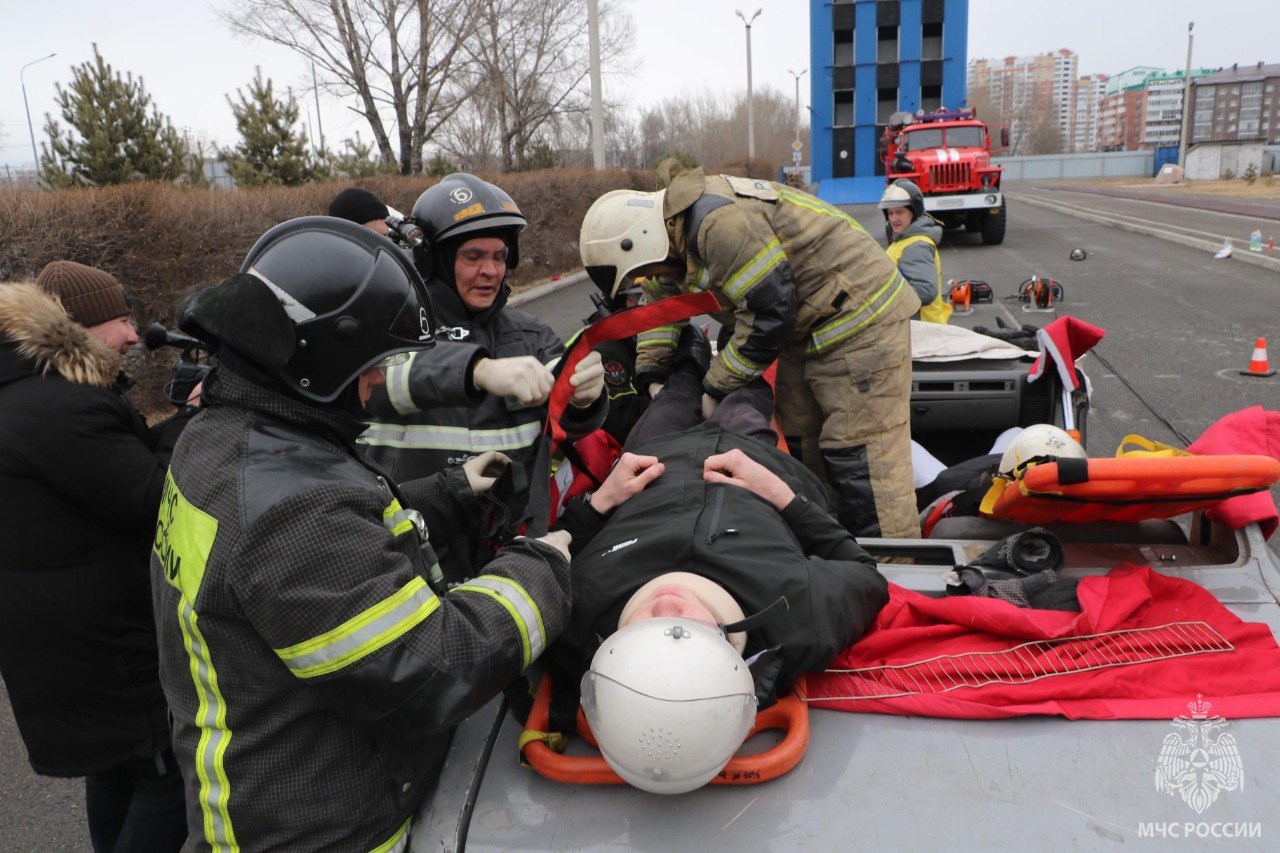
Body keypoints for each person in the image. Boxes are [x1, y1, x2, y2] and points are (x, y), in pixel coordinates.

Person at [151, 216, 573, 851]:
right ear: (321, 362)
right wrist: (540, 568)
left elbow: (330, 560)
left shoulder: (224, 437)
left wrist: (450, 494)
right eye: (375, 364)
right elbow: (432, 671)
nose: (380, 383)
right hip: (325, 832)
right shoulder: (293, 508)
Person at [542, 357, 890, 791]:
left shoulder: (571, 613)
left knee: (675, 391)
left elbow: (547, 549)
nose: (666, 604)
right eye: (686, 629)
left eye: (642, 629)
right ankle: (733, 353)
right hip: (751, 455)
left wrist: (598, 503)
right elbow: (865, 572)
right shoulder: (800, 613)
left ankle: (686, 361)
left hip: (651, 455)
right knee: (745, 389)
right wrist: (780, 494)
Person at [579, 161, 923, 538]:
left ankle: (894, 561)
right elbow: (660, 310)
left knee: (860, 459)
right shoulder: (670, 241)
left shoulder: (718, 226)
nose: (646, 279)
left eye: (640, 271)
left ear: (642, 242)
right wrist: (652, 375)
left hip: (861, 319)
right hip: (806, 328)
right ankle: (834, 543)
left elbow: (768, 314)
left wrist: (714, 387)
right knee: (802, 442)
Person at [0, 261, 188, 852]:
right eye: (120, 320)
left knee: (120, 763)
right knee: (167, 770)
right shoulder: (64, 409)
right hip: (107, 639)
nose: (133, 334)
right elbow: (153, 499)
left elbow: (115, 473)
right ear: (75, 328)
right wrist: (197, 421)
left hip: (61, 632)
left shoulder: (32, 396)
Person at [359, 173, 607, 578]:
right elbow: (383, 381)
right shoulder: (390, 330)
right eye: (473, 257)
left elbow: (565, 429)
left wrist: (586, 399)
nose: (490, 270)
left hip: (507, 549)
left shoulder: (532, 337)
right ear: (436, 260)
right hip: (411, 549)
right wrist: (476, 370)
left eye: (499, 256)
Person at [880, 178, 951, 325]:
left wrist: (882, 299)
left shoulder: (916, 246)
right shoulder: (904, 240)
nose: (894, 219)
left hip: (919, 328)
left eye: (900, 212)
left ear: (914, 212)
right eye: (890, 213)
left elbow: (925, 291)